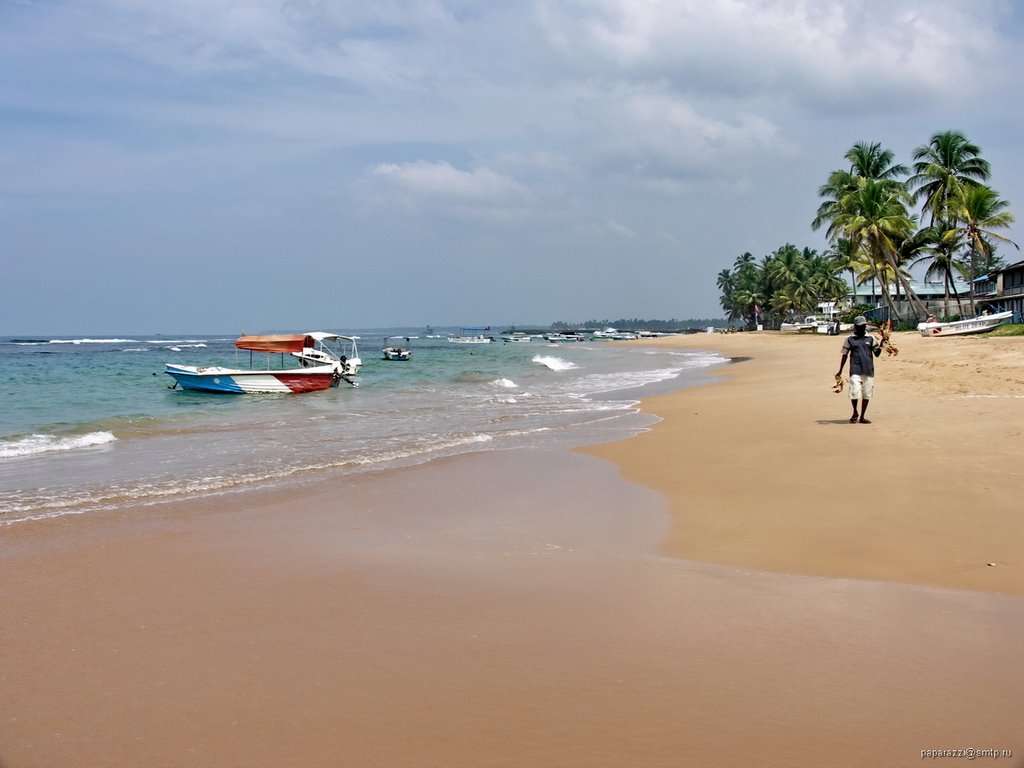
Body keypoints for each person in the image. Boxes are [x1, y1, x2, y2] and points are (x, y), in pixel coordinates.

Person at [836, 315, 882, 424]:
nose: (862, 328)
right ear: (855, 326)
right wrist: (840, 370)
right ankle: (855, 411)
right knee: (854, 392)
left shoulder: (870, 338)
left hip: (868, 370)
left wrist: (882, 345)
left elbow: (877, 354)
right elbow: (845, 355)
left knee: (866, 394)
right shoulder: (849, 339)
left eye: (864, 326)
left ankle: (862, 416)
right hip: (855, 369)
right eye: (860, 326)